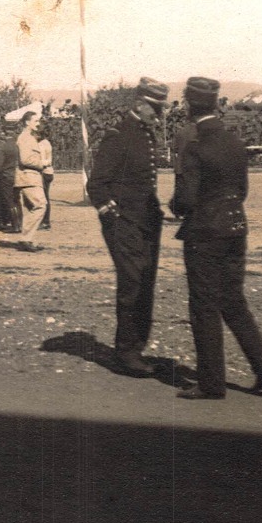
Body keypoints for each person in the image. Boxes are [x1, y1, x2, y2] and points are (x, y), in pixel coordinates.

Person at [168, 77, 262, 399]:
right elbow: (242, 191)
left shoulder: (194, 147)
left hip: (204, 231)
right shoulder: (235, 144)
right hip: (235, 226)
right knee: (234, 300)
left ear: (189, 104)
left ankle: (212, 383)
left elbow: (185, 200)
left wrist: (174, 206)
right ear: (215, 103)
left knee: (203, 306)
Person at [85, 77, 169, 377]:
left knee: (145, 283)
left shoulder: (144, 134)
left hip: (147, 222)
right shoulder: (119, 135)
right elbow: (96, 185)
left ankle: (137, 347)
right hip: (125, 225)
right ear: (138, 104)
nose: (158, 115)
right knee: (132, 286)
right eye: (154, 109)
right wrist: (113, 217)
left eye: (160, 109)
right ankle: (126, 353)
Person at [13, 111, 52, 252]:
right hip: (28, 177)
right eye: (35, 121)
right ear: (27, 122)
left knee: (31, 208)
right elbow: (25, 159)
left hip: (30, 177)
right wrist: (43, 163)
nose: (38, 123)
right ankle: (25, 239)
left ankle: (27, 239)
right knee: (41, 205)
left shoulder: (28, 137)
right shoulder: (25, 138)